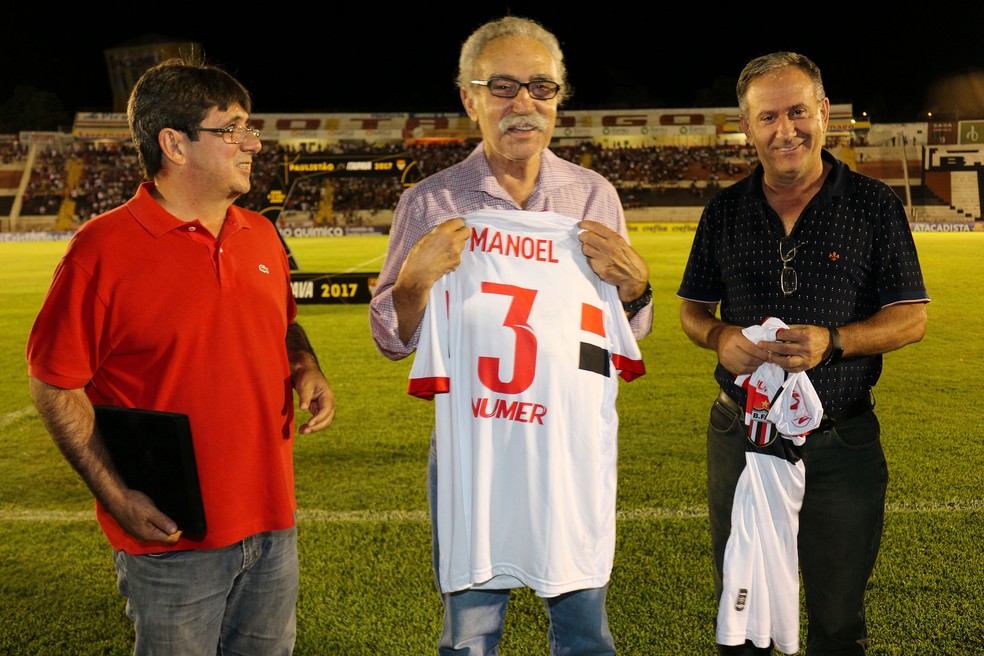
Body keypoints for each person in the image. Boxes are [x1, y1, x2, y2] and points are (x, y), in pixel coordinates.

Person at [26, 57, 335, 654]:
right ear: (175, 143)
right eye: (233, 130)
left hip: (274, 524)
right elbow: (53, 381)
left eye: (250, 128)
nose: (253, 143)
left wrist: (305, 364)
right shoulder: (102, 250)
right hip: (172, 541)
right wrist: (116, 496)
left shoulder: (261, 233)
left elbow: (286, 326)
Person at [368, 16, 653, 655]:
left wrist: (637, 291)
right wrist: (412, 286)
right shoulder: (430, 203)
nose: (523, 103)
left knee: (585, 633)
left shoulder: (592, 196)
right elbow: (392, 340)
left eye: (541, 87)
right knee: (470, 637)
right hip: (478, 455)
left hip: (568, 454)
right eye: (501, 87)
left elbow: (623, 334)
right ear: (469, 99)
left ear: (560, 98)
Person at [677, 52, 929, 655]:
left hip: (840, 441)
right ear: (747, 127)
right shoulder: (724, 210)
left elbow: (911, 318)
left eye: (797, 112)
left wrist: (834, 341)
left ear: (822, 113)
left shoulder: (873, 204)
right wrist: (718, 336)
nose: (784, 130)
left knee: (839, 621)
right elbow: (691, 310)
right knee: (743, 605)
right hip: (740, 433)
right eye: (767, 117)